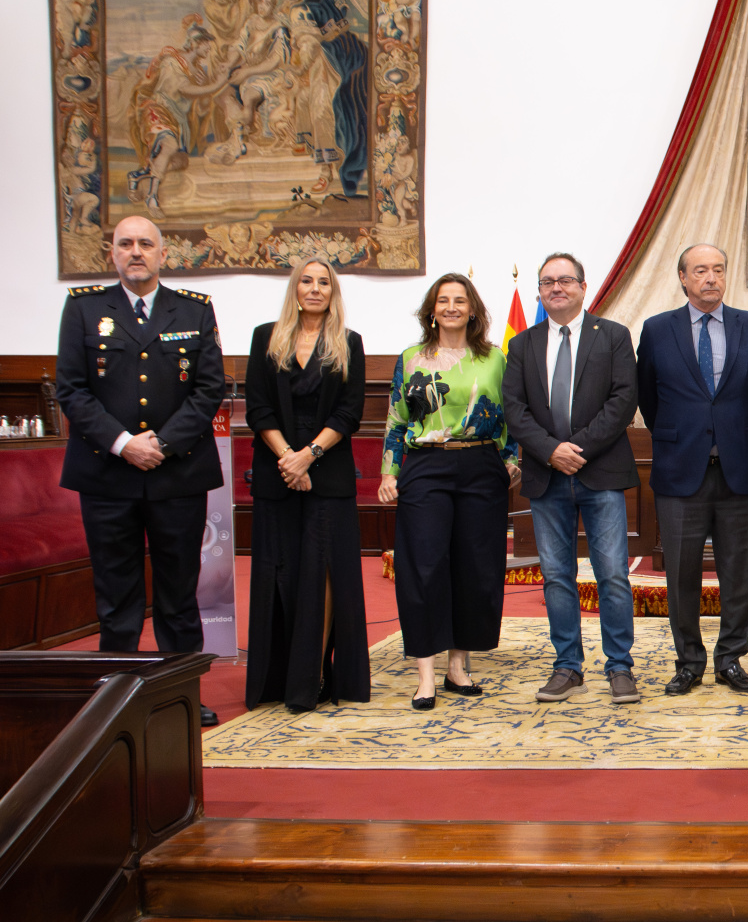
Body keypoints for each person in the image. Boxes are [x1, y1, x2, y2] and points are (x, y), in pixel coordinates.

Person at [56, 216, 225, 727]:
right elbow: (71, 389)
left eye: (145, 244)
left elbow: (208, 388)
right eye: (125, 243)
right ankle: (115, 699)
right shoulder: (84, 308)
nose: (136, 252)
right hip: (108, 476)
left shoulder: (194, 310)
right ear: (112, 253)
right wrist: (125, 443)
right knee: (117, 595)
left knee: (179, 594)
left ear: (162, 253)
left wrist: (163, 444)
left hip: (178, 476)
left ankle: (181, 696)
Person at [501, 252, 642, 705]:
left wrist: (576, 449)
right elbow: (514, 409)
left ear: (583, 287)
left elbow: (623, 401)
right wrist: (550, 451)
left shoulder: (614, 336)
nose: (556, 288)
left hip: (598, 471)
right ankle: (567, 666)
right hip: (546, 476)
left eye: (565, 280)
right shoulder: (522, 345)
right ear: (540, 292)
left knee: (613, 575)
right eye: (547, 282)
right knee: (557, 577)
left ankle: (620, 667)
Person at [636, 244, 748, 695]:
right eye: (700, 271)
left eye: (718, 270)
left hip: (737, 468)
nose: (711, 278)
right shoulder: (658, 330)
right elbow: (648, 398)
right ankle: (689, 662)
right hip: (680, 470)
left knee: (739, 573)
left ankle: (731, 659)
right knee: (681, 574)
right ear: (682, 277)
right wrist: (683, 435)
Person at [378, 273, 521, 710]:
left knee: (475, 567)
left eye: (461, 300)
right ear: (432, 309)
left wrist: (512, 458)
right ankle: (424, 674)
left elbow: (512, 415)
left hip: (481, 466)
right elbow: (396, 421)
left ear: (473, 309)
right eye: (444, 300)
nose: (453, 307)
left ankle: (458, 666)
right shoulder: (412, 357)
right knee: (423, 565)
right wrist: (389, 473)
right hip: (425, 465)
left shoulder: (496, 359)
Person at [243, 258, 370, 713]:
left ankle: (314, 674)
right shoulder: (266, 337)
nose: (314, 289)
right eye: (306, 281)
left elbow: (350, 413)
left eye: (323, 283)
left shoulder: (348, 343)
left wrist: (308, 455)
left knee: (325, 573)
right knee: (281, 573)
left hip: (328, 471)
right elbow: (257, 408)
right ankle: (278, 678)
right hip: (278, 472)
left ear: (332, 292)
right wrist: (287, 458)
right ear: (294, 289)